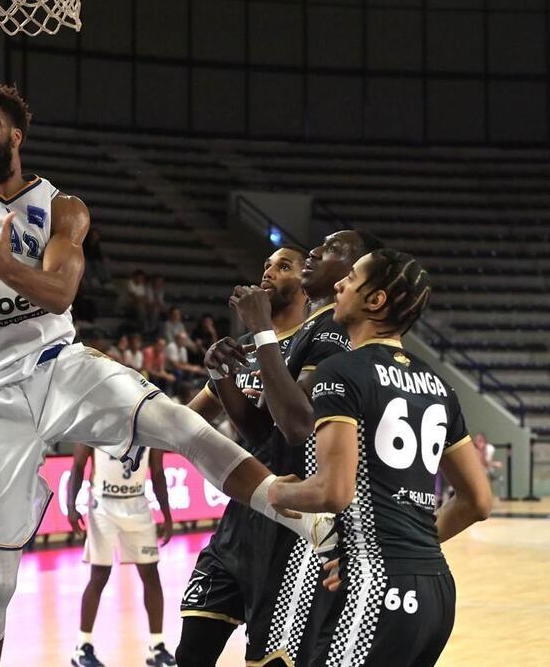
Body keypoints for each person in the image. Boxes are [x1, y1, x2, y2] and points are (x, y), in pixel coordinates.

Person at [0, 81, 336, 666]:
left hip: (57, 365)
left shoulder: (63, 208)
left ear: (16, 135)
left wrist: (7, 266)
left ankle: (310, 522)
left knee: (178, 425)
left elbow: (59, 292)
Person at [269, 248, 492, 666]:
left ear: (376, 301)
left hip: (378, 588)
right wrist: (408, 551)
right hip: (436, 589)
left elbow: (333, 491)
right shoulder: (439, 386)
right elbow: (478, 501)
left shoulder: (342, 371)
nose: (338, 285)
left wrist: (279, 494)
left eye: (350, 279)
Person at [205, 232, 381, 666]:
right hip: (255, 513)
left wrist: (263, 332)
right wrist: (224, 375)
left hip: (302, 521)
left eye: (331, 251)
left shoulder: (332, 332)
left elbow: (297, 427)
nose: (316, 253)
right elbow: (263, 430)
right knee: (194, 645)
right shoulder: (282, 341)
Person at [175, 246, 308, 666]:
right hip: (237, 523)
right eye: (266, 263)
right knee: (190, 654)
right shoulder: (243, 349)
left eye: (284, 266)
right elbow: (188, 420)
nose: (269, 271)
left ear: (307, 284)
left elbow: (276, 430)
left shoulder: (316, 343)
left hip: (288, 528)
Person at [67, 445, 176, 667]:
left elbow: (157, 471)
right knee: (99, 574)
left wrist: (166, 513)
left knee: (151, 574)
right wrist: (71, 505)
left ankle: (157, 647)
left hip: (137, 504)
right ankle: (82, 647)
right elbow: (78, 466)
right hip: (102, 505)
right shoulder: (96, 420)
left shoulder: (147, 421)